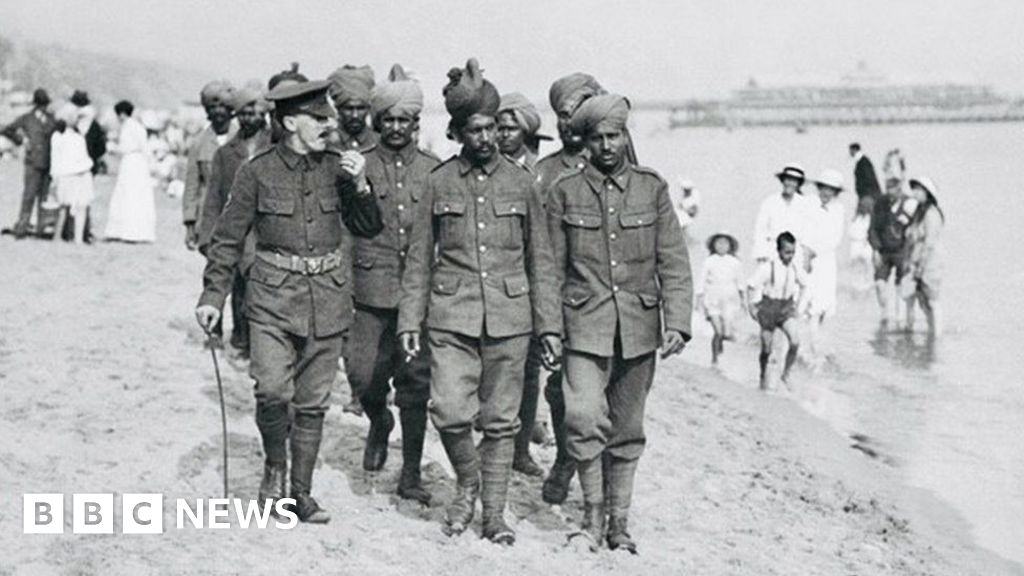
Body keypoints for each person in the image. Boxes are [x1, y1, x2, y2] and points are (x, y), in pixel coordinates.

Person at [195, 79, 383, 524]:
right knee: (273, 391)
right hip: (272, 301)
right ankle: (274, 468)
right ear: (290, 121)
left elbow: (369, 227)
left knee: (314, 402)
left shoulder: (340, 168)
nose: (329, 126)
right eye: (319, 119)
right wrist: (212, 296)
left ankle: (300, 493)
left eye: (329, 117)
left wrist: (360, 186)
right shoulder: (256, 172)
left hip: (328, 300)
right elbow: (226, 238)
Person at [397, 58, 561, 545]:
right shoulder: (439, 182)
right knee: (447, 410)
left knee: (502, 421)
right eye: (475, 130)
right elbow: (420, 259)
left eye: (492, 128)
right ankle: (467, 479)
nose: (487, 138)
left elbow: (542, 261)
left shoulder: (522, 182)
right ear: (456, 133)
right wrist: (410, 317)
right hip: (451, 315)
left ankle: (493, 514)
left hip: (511, 318)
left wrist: (548, 326)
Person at [547, 94, 692, 553]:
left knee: (627, 429)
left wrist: (679, 322)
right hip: (583, 325)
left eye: (615, 135)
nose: (608, 145)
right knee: (582, 416)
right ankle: (590, 515)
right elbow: (550, 267)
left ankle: (618, 524)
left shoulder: (652, 188)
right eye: (598, 138)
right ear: (585, 142)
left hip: (638, 327)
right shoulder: (565, 191)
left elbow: (673, 261)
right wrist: (548, 328)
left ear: (625, 136)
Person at [345, 63, 439, 505]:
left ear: (416, 123)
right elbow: (349, 226)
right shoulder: (358, 165)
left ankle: (412, 473)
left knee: (416, 385)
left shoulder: (435, 171)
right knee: (363, 376)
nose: (397, 127)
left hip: (418, 298)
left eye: (405, 120)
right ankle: (379, 421)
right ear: (378, 122)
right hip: (370, 290)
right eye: (389, 120)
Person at [535, 71, 606, 503]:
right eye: (562, 115)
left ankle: (596, 481)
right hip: (563, 300)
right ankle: (566, 458)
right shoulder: (543, 174)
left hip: (607, 299)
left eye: (577, 113)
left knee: (604, 401)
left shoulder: (617, 164)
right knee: (560, 392)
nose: (568, 123)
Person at [197, 87, 273, 358]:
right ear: (237, 114)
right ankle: (241, 338)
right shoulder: (226, 153)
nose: (251, 116)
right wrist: (206, 234)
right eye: (245, 112)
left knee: (259, 287)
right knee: (237, 286)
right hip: (236, 229)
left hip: (268, 229)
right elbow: (214, 198)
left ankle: (259, 343)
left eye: (256, 111)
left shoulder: (274, 146)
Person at [747, 232, 807, 391]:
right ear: (779, 251)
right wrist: (751, 306)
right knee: (767, 348)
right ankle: (762, 374)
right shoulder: (768, 267)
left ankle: (786, 373)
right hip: (768, 308)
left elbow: (804, 285)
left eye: (793, 252)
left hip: (786, 308)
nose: (790, 256)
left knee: (795, 341)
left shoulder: (795, 268)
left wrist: (798, 306)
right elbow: (751, 285)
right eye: (787, 252)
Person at [183, 80, 237, 251]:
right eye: (212, 108)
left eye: (222, 107)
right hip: (208, 214)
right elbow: (192, 185)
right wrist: (190, 223)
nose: (218, 112)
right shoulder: (198, 143)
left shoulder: (242, 139)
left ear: (230, 110)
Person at [803, 169, 846, 361]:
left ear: (836, 192)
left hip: (825, 260)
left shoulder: (839, 209)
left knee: (823, 304)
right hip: (805, 256)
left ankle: (819, 348)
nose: (826, 192)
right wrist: (805, 252)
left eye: (831, 189)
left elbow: (834, 238)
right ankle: (806, 348)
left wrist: (814, 251)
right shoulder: (809, 203)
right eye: (823, 188)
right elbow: (802, 229)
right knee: (805, 301)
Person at [2, 88, 55, 239]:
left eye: (44, 104)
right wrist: (22, 141)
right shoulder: (27, 119)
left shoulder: (52, 119)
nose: (43, 107)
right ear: (37, 104)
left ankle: (41, 228)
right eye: (41, 104)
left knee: (44, 197)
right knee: (29, 196)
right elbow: (7, 129)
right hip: (32, 163)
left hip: (48, 163)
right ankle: (22, 227)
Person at [103, 100, 156, 243]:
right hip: (134, 162)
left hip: (133, 162)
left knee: (130, 194)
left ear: (121, 114)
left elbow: (130, 147)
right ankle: (128, 231)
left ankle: (131, 231)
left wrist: (113, 148)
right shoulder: (135, 126)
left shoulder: (130, 127)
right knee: (131, 194)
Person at [868, 174, 914, 327]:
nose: (890, 193)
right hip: (883, 250)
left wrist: (911, 255)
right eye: (888, 189)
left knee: (901, 286)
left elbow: (915, 231)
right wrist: (875, 249)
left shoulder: (910, 203)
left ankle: (901, 320)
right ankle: (885, 313)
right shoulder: (880, 203)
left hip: (902, 251)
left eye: (893, 189)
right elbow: (873, 228)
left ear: (900, 189)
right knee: (879, 284)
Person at [904, 177, 945, 336]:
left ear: (927, 193)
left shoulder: (931, 214)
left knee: (932, 300)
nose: (915, 192)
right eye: (914, 188)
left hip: (930, 263)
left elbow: (929, 243)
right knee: (922, 301)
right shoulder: (919, 211)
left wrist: (921, 266)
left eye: (918, 189)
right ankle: (931, 334)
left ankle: (936, 336)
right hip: (918, 261)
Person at [48, 104, 94, 244]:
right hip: (67, 174)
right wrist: (55, 177)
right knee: (64, 206)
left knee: (81, 206)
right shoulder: (59, 137)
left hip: (80, 173)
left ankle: (77, 238)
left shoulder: (78, 137)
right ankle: (59, 236)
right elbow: (55, 159)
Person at [697, 233, 744, 365]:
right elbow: (702, 281)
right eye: (719, 243)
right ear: (713, 245)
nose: (722, 246)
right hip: (712, 300)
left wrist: (744, 302)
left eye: (725, 243)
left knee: (726, 332)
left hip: (729, 301)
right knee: (718, 330)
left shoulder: (735, 263)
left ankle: (721, 344)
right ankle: (714, 358)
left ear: (730, 246)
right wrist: (699, 300)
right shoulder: (709, 261)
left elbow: (740, 283)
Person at [751, 163, 813, 263]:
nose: (790, 184)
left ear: (798, 184)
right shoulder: (770, 202)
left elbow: (809, 233)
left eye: (794, 181)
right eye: (788, 179)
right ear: (782, 180)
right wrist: (761, 254)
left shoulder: (805, 204)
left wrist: (806, 258)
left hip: (796, 254)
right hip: (772, 252)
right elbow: (760, 230)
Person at [327, 65, 379, 152]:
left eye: (360, 108)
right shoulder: (325, 144)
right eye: (349, 109)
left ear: (369, 109)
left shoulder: (381, 143)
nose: (355, 115)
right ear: (338, 109)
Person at [496, 92, 550, 170]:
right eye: (500, 129)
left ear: (525, 131)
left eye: (512, 129)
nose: (505, 134)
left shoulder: (542, 166)